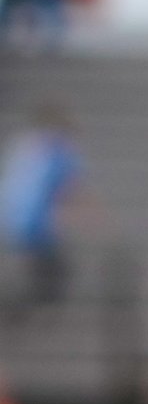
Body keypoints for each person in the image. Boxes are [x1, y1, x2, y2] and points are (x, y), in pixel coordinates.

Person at [1, 102, 83, 307]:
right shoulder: (58, 149)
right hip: (33, 221)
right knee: (51, 270)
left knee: (41, 267)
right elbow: (67, 189)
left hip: (11, 214)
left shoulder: (24, 143)